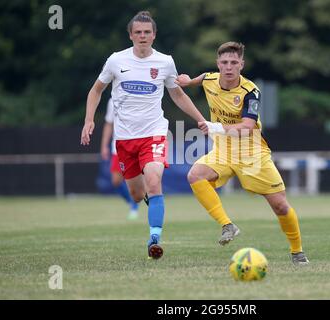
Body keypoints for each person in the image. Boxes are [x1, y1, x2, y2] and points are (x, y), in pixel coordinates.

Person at [81, 11, 205, 259]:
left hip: (154, 133)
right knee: (137, 195)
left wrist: (200, 118)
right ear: (130, 35)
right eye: (138, 32)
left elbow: (178, 94)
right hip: (125, 139)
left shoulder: (165, 62)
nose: (142, 36)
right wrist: (88, 120)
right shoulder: (116, 61)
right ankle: (149, 204)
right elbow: (95, 91)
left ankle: (154, 239)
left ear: (154, 35)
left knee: (154, 180)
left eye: (147, 32)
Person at [175, 41, 309, 266]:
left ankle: (297, 251)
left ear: (241, 65)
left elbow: (247, 126)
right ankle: (227, 225)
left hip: (252, 152)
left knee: (280, 206)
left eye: (234, 63)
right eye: (224, 62)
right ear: (218, 64)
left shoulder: (250, 91)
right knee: (195, 175)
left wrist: (215, 127)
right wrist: (187, 81)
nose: (228, 67)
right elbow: (197, 80)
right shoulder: (209, 78)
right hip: (224, 150)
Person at [100, 98, 140, 220]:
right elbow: (109, 123)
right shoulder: (112, 101)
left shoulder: (138, 97)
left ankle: (134, 206)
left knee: (136, 180)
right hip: (118, 146)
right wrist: (104, 145)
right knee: (116, 180)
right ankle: (132, 202)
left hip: (138, 143)